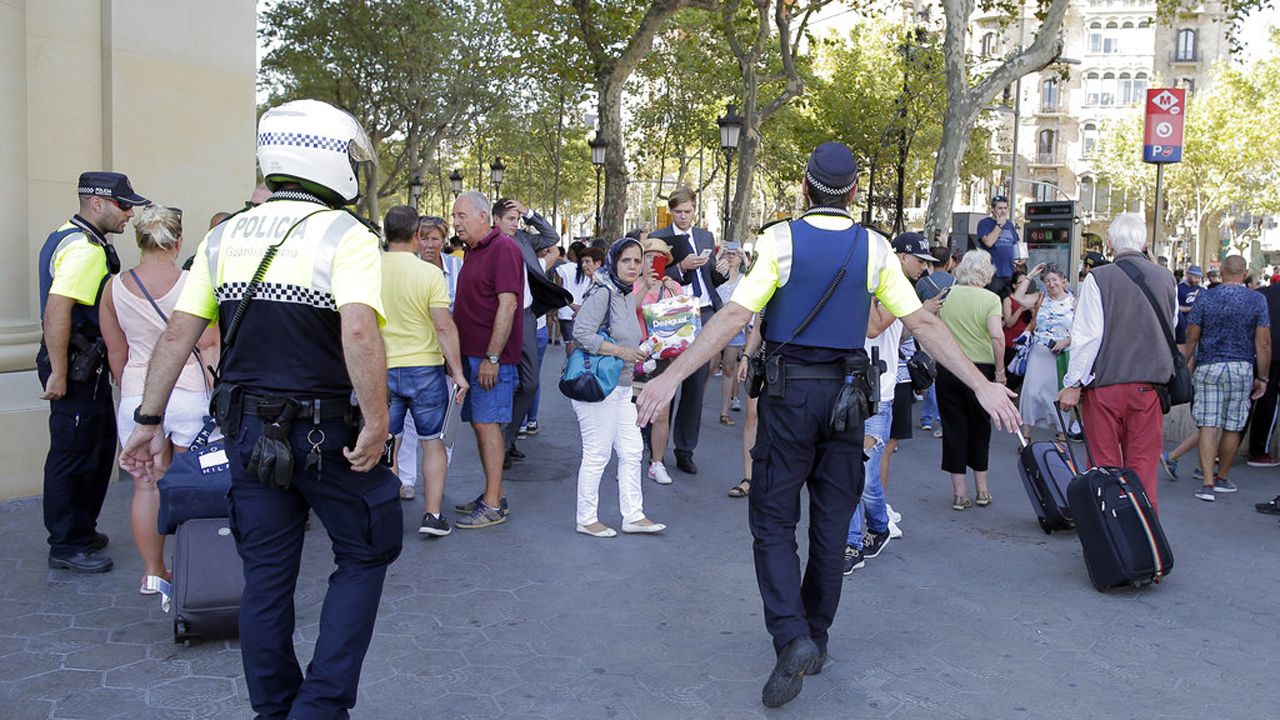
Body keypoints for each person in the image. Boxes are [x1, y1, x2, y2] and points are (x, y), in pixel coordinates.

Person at [635, 142, 1020, 709]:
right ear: (855, 193)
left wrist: (672, 376)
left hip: (790, 399)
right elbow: (921, 324)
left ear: (806, 190)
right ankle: (815, 636)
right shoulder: (876, 248)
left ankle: (791, 636)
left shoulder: (780, 240)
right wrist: (982, 383)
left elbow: (737, 315)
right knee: (831, 525)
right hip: (849, 400)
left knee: (771, 520)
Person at [119, 99, 401, 719]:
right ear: (329, 159)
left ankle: (274, 710)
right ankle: (320, 707)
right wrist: (377, 421)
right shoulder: (345, 234)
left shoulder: (223, 236)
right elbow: (358, 331)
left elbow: (177, 335)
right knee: (366, 549)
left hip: (246, 431)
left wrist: (147, 421)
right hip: (325, 431)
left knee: (266, 578)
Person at [99, 204, 217, 594]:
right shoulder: (193, 282)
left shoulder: (113, 287)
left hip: (137, 394)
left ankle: (153, 572)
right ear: (178, 240)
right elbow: (209, 342)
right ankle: (193, 565)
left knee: (146, 484)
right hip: (187, 389)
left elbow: (116, 352)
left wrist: (128, 388)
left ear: (140, 240)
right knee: (193, 482)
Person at [38, 171, 151, 573]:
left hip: (81, 362)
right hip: (76, 363)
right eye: (124, 206)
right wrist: (59, 371)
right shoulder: (85, 248)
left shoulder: (70, 235)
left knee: (94, 447)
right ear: (97, 203)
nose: (129, 215)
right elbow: (57, 310)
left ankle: (80, 531)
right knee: (75, 454)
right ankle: (67, 543)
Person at [1057, 213, 1178, 512]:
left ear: (1109, 244)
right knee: (1143, 466)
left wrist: (1072, 383)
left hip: (1106, 386)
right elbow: (1171, 328)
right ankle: (1144, 534)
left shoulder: (1099, 278)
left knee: (1103, 466)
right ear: (1145, 243)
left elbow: (1087, 337)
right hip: (1149, 388)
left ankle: (1109, 531)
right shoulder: (1166, 278)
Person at [379, 205, 469, 537]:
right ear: (417, 235)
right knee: (433, 443)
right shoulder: (429, 275)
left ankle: (386, 515)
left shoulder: (370, 269)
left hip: (383, 369)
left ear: (385, 234)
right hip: (425, 369)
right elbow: (444, 328)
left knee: (387, 441)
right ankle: (432, 516)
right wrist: (458, 373)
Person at [570, 238, 667, 538]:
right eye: (626, 260)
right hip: (599, 385)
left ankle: (633, 516)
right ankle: (586, 518)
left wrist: (648, 288)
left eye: (637, 261)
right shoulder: (602, 291)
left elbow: (624, 318)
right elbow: (582, 333)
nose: (633, 266)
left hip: (622, 386)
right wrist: (623, 352)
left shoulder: (624, 292)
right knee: (597, 453)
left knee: (632, 450)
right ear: (614, 261)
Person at [450, 190, 523, 528]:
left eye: (461, 216)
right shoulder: (474, 251)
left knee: (487, 424)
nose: (456, 222)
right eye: (454, 216)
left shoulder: (504, 249)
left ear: (483, 216)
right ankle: (493, 494)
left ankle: (493, 503)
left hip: (490, 358)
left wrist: (492, 357)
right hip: (472, 355)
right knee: (481, 425)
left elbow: (508, 305)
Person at [648, 186, 728, 474]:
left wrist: (724, 270)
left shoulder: (705, 236)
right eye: (678, 212)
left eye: (688, 211)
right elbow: (652, 276)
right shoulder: (659, 238)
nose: (683, 216)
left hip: (704, 313)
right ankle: (654, 448)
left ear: (696, 210)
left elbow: (711, 279)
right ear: (671, 212)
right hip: (672, 314)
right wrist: (680, 268)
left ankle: (685, 449)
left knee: (695, 386)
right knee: (663, 379)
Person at [1184, 254, 1270, 502]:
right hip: (1241, 367)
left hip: (1209, 366)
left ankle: (1207, 484)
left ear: (1221, 272)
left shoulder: (1206, 297)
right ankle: (1222, 478)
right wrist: (1262, 377)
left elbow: (1192, 336)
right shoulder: (1257, 300)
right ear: (1244, 274)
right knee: (1233, 424)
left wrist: (1184, 362)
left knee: (1208, 424)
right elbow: (1263, 342)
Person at [491, 198, 567, 466]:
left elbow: (552, 236)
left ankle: (508, 440)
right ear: (496, 219)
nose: (515, 223)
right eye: (510, 219)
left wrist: (529, 213)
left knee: (530, 382)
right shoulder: (487, 244)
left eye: (517, 219)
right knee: (500, 384)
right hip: (497, 318)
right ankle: (497, 446)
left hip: (525, 317)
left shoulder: (523, 238)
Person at [394, 214, 462, 502]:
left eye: (435, 238)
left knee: (444, 427)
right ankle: (406, 480)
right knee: (407, 429)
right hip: (419, 357)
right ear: (415, 239)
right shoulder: (410, 269)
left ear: (444, 240)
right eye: (424, 238)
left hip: (446, 355)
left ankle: (437, 481)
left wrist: (455, 361)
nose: (429, 244)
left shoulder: (457, 267)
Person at [936, 249, 1008, 509]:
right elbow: (997, 338)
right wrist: (1000, 371)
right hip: (982, 369)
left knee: (953, 427)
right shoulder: (991, 299)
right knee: (980, 427)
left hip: (950, 367)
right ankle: (983, 489)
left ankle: (959, 493)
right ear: (986, 272)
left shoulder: (947, 296)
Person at [631, 238, 683, 486]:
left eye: (658, 257)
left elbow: (681, 320)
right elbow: (625, 313)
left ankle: (657, 463)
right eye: (648, 256)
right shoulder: (630, 285)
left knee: (661, 413)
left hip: (663, 355)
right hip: (635, 353)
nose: (652, 261)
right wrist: (644, 287)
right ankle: (629, 461)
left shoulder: (673, 287)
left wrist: (670, 292)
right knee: (632, 412)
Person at [1009, 263, 1074, 442]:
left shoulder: (1074, 302)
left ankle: (1062, 435)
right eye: (1047, 281)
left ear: (1063, 280)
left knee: (1058, 394)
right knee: (1031, 393)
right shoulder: (1040, 298)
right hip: (1039, 353)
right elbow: (1017, 297)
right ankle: (1027, 435)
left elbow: (1082, 331)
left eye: (1054, 279)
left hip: (1061, 356)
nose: (1051, 284)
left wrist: (1066, 341)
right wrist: (1030, 275)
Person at [917, 246, 954, 436]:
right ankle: (941, 419)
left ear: (931, 261)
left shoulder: (923, 283)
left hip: (927, 331)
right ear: (949, 262)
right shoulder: (957, 282)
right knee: (945, 375)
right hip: (949, 332)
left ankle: (926, 418)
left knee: (929, 373)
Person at [1246, 273, 1280, 467]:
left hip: (1253, 352)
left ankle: (1222, 451)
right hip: (1273, 357)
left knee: (1244, 401)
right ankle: (1259, 451)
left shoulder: (1261, 294)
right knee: (1269, 402)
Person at [715, 245, 749, 426]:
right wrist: (718, 256)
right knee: (709, 366)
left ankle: (724, 412)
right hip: (715, 326)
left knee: (729, 368)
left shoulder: (745, 279)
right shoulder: (717, 276)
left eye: (735, 254)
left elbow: (756, 279)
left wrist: (745, 257)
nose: (731, 257)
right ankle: (695, 405)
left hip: (734, 328)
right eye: (728, 253)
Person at [555, 246, 604, 353]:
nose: (584, 266)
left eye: (587, 262)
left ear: (598, 263)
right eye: (583, 262)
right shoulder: (591, 282)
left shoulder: (603, 286)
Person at [975, 195, 1019, 297]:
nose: (1003, 211)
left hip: (1009, 272)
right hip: (993, 273)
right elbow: (989, 242)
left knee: (1008, 303)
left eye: (1005, 208)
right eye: (1000, 208)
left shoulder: (1010, 225)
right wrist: (999, 225)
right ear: (993, 209)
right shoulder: (985, 223)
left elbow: (1015, 243)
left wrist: (1020, 257)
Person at [1176, 265, 1203, 355]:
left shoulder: (1201, 290)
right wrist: (1190, 309)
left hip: (1197, 326)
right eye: (1195, 277)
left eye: (1198, 277)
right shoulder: (1179, 289)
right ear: (1188, 275)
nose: (1197, 280)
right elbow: (1176, 306)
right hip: (1184, 324)